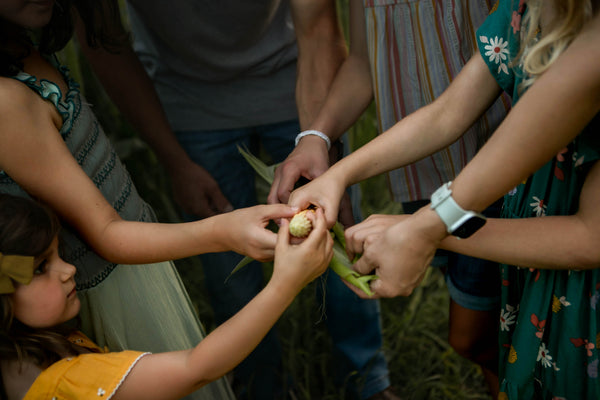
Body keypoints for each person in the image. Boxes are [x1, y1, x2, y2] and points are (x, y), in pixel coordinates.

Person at [78, 1, 395, 398]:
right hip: (189, 101)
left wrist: (320, 141)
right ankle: (262, 385)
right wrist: (175, 161)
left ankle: (367, 380)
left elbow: (319, 30)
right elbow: (102, 41)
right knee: (229, 267)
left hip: (292, 77)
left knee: (337, 232)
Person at [289, 0, 600, 397]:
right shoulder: (525, 10)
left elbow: (589, 237)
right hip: (537, 244)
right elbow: (448, 112)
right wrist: (338, 174)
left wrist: (427, 230)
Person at [0, 1, 298, 399]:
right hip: (105, 289)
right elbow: (106, 232)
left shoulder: (22, 46)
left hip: (129, 260)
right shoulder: (6, 102)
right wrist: (227, 232)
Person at [268, 0, 511, 395]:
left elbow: (459, 105)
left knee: (475, 332)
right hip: (422, 165)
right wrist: (320, 140)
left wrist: (427, 230)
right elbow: (369, 62)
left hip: (499, 164)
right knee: (489, 321)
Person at [0, 193, 333, 400]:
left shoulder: (24, 360)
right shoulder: (66, 384)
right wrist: (284, 284)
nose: (68, 269)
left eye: (59, 255)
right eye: (42, 267)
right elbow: (197, 367)